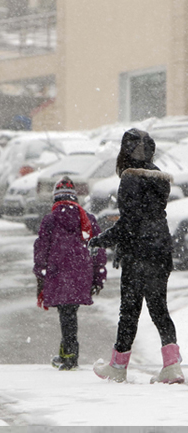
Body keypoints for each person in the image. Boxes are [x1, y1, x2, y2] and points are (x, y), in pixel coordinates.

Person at [89, 128, 184, 384]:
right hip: (160, 250)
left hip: (138, 254)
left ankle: (118, 366)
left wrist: (102, 240)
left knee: (129, 311)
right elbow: (149, 217)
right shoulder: (160, 178)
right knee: (159, 309)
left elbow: (130, 222)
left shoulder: (130, 178)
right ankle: (172, 366)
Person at [34, 176, 107, 371]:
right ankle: (67, 353)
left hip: (57, 273)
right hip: (81, 274)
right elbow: (98, 250)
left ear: (55, 198)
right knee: (70, 312)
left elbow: (41, 250)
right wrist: (98, 277)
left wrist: (40, 275)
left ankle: (69, 355)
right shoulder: (87, 219)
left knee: (66, 313)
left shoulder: (50, 220)